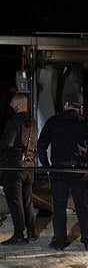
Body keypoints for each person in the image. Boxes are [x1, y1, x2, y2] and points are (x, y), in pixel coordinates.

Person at [37, 89, 88, 251]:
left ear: (66, 104)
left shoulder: (53, 121)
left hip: (58, 169)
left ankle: (59, 241)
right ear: (80, 106)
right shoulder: (85, 121)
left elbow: (41, 145)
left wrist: (47, 166)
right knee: (83, 205)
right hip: (78, 168)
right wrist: (87, 157)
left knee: (59, 207)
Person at [0, 93, 38, 245]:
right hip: (29, 166)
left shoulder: (14, 122)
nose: (10, 105)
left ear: (21, 105)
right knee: (27, 201)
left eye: (13, 103)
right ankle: (32, 231)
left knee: (16, 202)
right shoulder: (33, 123)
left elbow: (6, 143)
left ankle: (19, 234)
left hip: (14, 166)